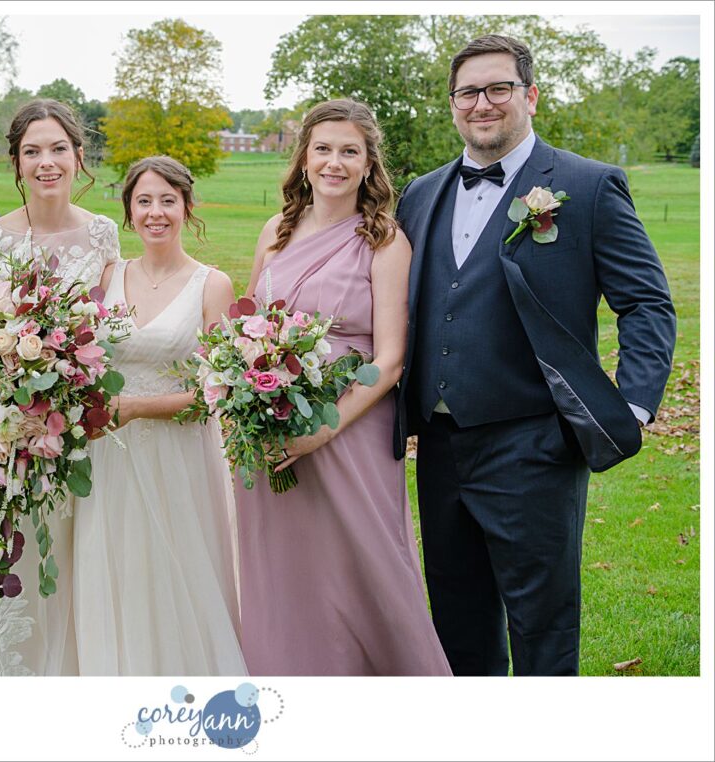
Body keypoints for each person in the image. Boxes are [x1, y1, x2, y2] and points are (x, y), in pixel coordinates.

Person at [395, 35, 677, 676]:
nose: (482, 103)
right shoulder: (421, 193)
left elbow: (647, 305)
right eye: (468, 92)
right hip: (438, 445)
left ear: (530, 95)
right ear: (452, 104)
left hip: (537, 442)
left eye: (498, 88)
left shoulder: (587, 185)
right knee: (458, 626)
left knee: (543, 629)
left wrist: (631, 405)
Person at [235, 100, 452, 676]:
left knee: (366, 566)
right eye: (323, 148)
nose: (334, 162)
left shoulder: (385, 241)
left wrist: (321, 429)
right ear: (304, 158)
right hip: (272, 429)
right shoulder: (274, 232)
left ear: (367, 164)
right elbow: (248, 323)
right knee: (286, 570)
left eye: (349, 151)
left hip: (350, 427)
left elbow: (391, 358)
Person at [0, 99, 119, 675]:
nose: (46, 163)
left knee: (66, 560)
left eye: (58, 149)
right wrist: (4, 386)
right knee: (0, 552)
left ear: (78, 156)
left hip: (69, 431)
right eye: (32, 152)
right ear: (15, 164)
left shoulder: (102, 234)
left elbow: (107, 331)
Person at [73, 156, 246, 675]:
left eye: (168, 201)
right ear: (128, 211)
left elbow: (222, 391)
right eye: (144, 201)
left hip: (180, 459)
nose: (156, 213)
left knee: (179, 577)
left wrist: (137, 408)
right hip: (109, 459)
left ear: (187, 207)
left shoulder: (212, 285)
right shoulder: (108, 277)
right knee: (116, 571)